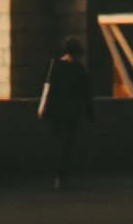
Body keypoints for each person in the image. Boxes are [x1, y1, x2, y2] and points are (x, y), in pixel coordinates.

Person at [36, 43, 92, 186]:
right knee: (65, 145)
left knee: (60, 143)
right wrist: (90, 113)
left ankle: (58, 175)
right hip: (70, 113)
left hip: (52, 112)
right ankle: (60, 177)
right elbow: (86, 93)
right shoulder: (78, 69)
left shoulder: (53, 65)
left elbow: (44, 85)